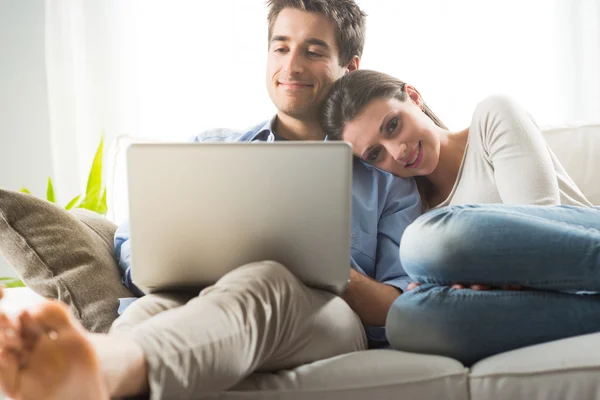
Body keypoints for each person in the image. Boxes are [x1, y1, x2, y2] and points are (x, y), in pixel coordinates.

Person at [0, 3, 422, 399]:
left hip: (326, 317)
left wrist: (333, 272)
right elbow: (134, 245)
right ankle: (83, 372)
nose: (291, 65)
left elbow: (402, 309)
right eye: (281, 47)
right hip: (203, 297)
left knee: (267, 280)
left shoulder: (384, 174)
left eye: (313, 51)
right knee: (148, 310)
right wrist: (188, 261)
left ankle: (100, 369)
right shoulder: (212, 148)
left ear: (349, 68)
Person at [321, 68, 600, 366]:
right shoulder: (411, 213)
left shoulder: (491, 117)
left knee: (425, 241)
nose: (397, 151)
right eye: (376, 154)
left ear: (413, 98)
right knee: (406, 320)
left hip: (579, 239)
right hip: (553, 300)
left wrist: (478, 276)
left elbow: (543, 226)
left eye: (392, 126)